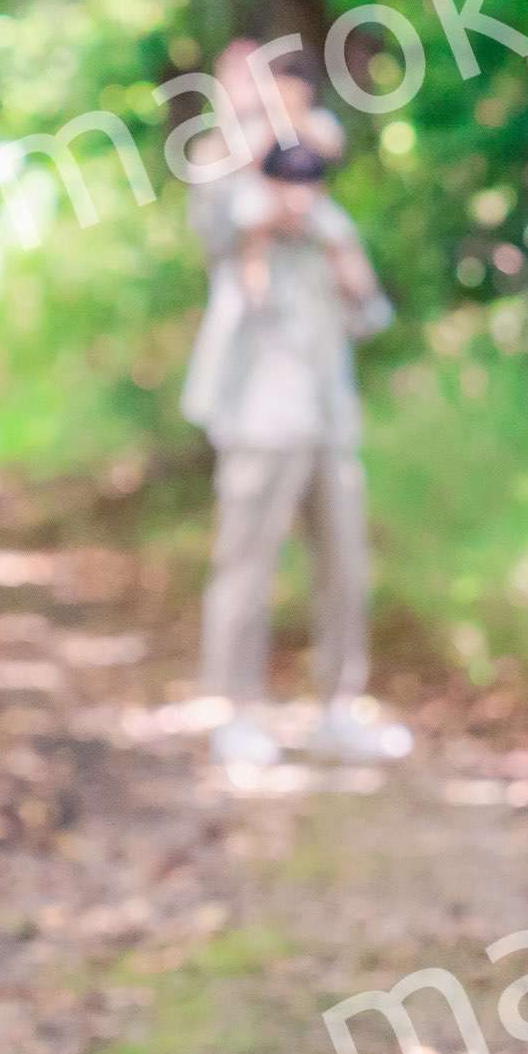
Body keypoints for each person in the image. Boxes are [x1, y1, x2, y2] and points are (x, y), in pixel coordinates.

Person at [184, 44, 408, 771]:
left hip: (327, 408)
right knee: (246, 565)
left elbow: (367, 304)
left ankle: (340, 706)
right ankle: (237, 712)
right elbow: (223, 220)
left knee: (346, 563)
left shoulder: (319, 191)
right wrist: (253, 134)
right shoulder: (224, 163)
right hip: (257, 407)